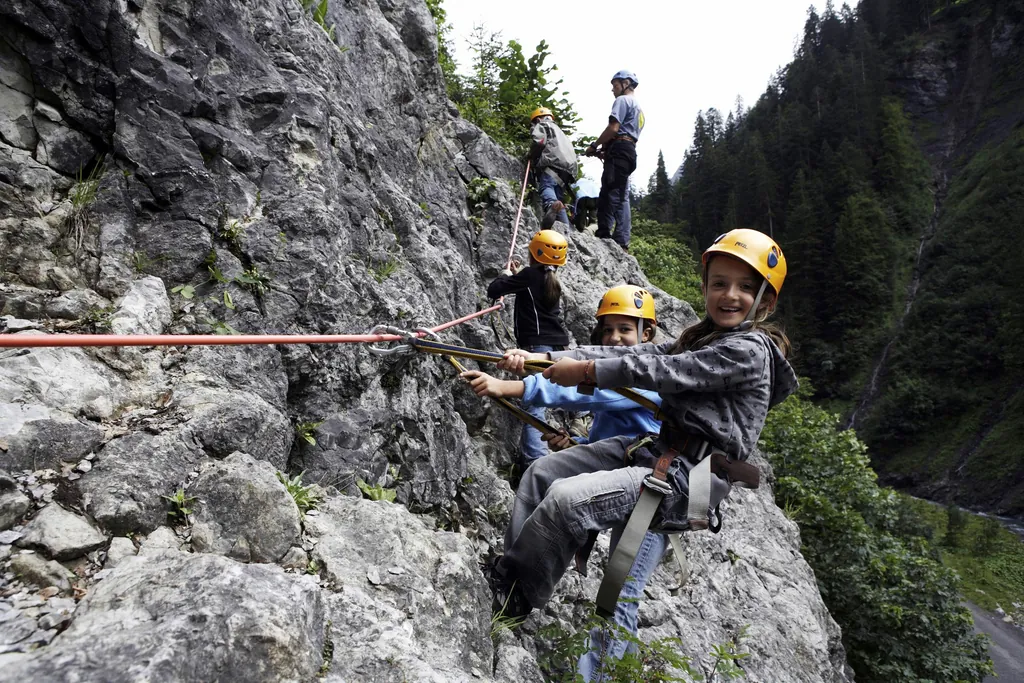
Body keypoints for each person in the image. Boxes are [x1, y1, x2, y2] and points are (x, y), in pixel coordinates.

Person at [483, 229, 799, 633]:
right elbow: (630, 353)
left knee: (567, 499)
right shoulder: (701, 339)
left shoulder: (748, 351)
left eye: (744, 287)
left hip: (689, 478)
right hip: (655, 452)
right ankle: (509, 578)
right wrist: (542, 357)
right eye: (719, 283)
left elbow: (662, 372)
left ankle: (515, 596)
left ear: (765, 302)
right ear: (705, 287)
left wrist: (583, 372)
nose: (729, 295)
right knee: (543, 473)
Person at [466, 286, 669, 679]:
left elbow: (584, 391)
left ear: (646, 334)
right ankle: (517, 585)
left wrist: (509, 383)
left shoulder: (642, 374)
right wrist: (576, 445)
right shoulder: (620, 365)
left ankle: (604, 676)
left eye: (624, 329)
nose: (613, 339)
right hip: (622, 467)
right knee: (541, 473)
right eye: (607, 330)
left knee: (620, 593)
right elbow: (615, 439)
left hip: (655, 490)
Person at [486, 229, 571, 468]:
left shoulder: (531, 275)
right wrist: (516, 275)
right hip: (555, 347)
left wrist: (505, 274)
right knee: (539, 401)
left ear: (533, 253)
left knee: (534, 405)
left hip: (537, 345)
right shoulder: (548, 278)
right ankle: (537, 459)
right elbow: (527, 288)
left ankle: (536, 463)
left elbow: (495, 289)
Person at [586, 70, 644, 251]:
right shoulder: (639, 110)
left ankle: (605, 235)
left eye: (615, 85)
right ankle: (622, 239)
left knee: (609, 194)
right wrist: (607, 148)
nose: (612, 89)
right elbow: (625, 134)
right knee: (622, 194)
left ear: (626, 83)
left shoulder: (622, 101)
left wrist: (595, 146)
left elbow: (614, 128)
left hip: (619, 150)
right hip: (628, 151)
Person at [529, 107, 578, 228]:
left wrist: (530, 156)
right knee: (558, 199)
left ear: (538, 119)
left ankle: (550, 204)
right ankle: (565, 227)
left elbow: (539, 142)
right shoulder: (561, 132)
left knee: (546, 187)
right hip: (568, 171)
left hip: (553, 163)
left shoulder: (543, 125)